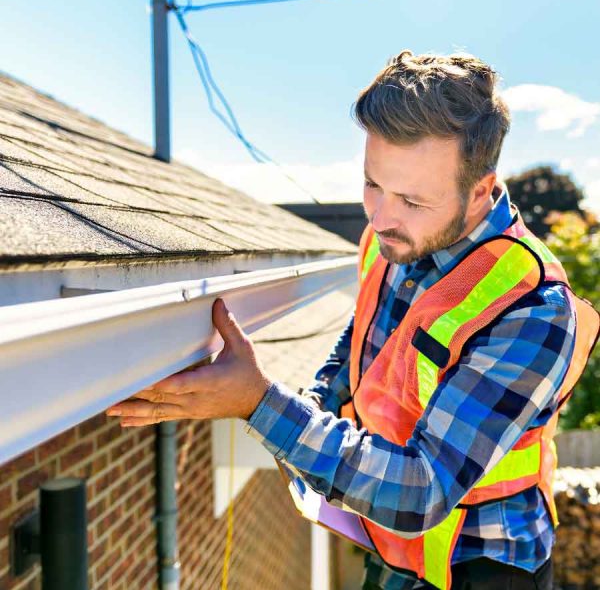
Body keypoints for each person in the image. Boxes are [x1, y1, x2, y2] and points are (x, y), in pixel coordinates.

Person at [106, 51, 600, 590]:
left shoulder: (531, 309)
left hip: (484, 565)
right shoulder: (390, 239)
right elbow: (362, 340)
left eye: (411, 199)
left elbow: (421, 490)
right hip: (390, 551)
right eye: (372, 184)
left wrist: (261, 406)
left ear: (480, 190)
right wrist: (312, 405)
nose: (382, 217)